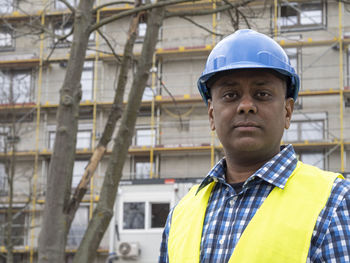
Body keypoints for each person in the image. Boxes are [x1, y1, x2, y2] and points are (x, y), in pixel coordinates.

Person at [158, 29, 350, 262]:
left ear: (287, 111)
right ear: (211, 114)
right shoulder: (180, 215)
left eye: (262, 94)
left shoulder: (335, 202)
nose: (246, 105)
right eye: (230, 95)